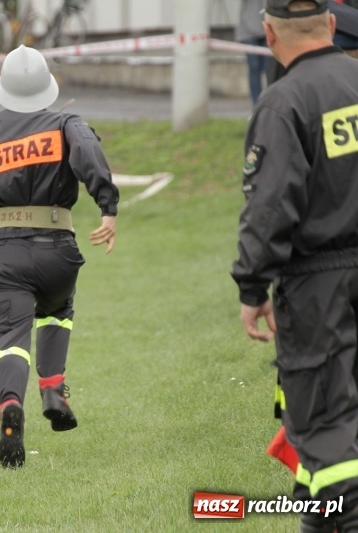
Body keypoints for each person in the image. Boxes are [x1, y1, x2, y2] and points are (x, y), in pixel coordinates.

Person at [0, 45, 119, 469]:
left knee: (9, 336)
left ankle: (9, 407)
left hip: (6, 250)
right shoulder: (66, 123)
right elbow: (90, 157)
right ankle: (54, 389)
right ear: (47, 87)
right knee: (57, 310)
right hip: (59, 248)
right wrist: (107, 206)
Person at [231, 1, 358, 531]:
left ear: (268, 34)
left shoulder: (284, 102)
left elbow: (269, 207)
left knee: (329, 430)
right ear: (330, 25)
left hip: (319, 286)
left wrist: (252, 285)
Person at [237, 0, 270, 104]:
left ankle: (271, 102)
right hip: (248, 31)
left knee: (269, 68)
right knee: (254, 68)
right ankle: (256, 105)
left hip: (269, 28)